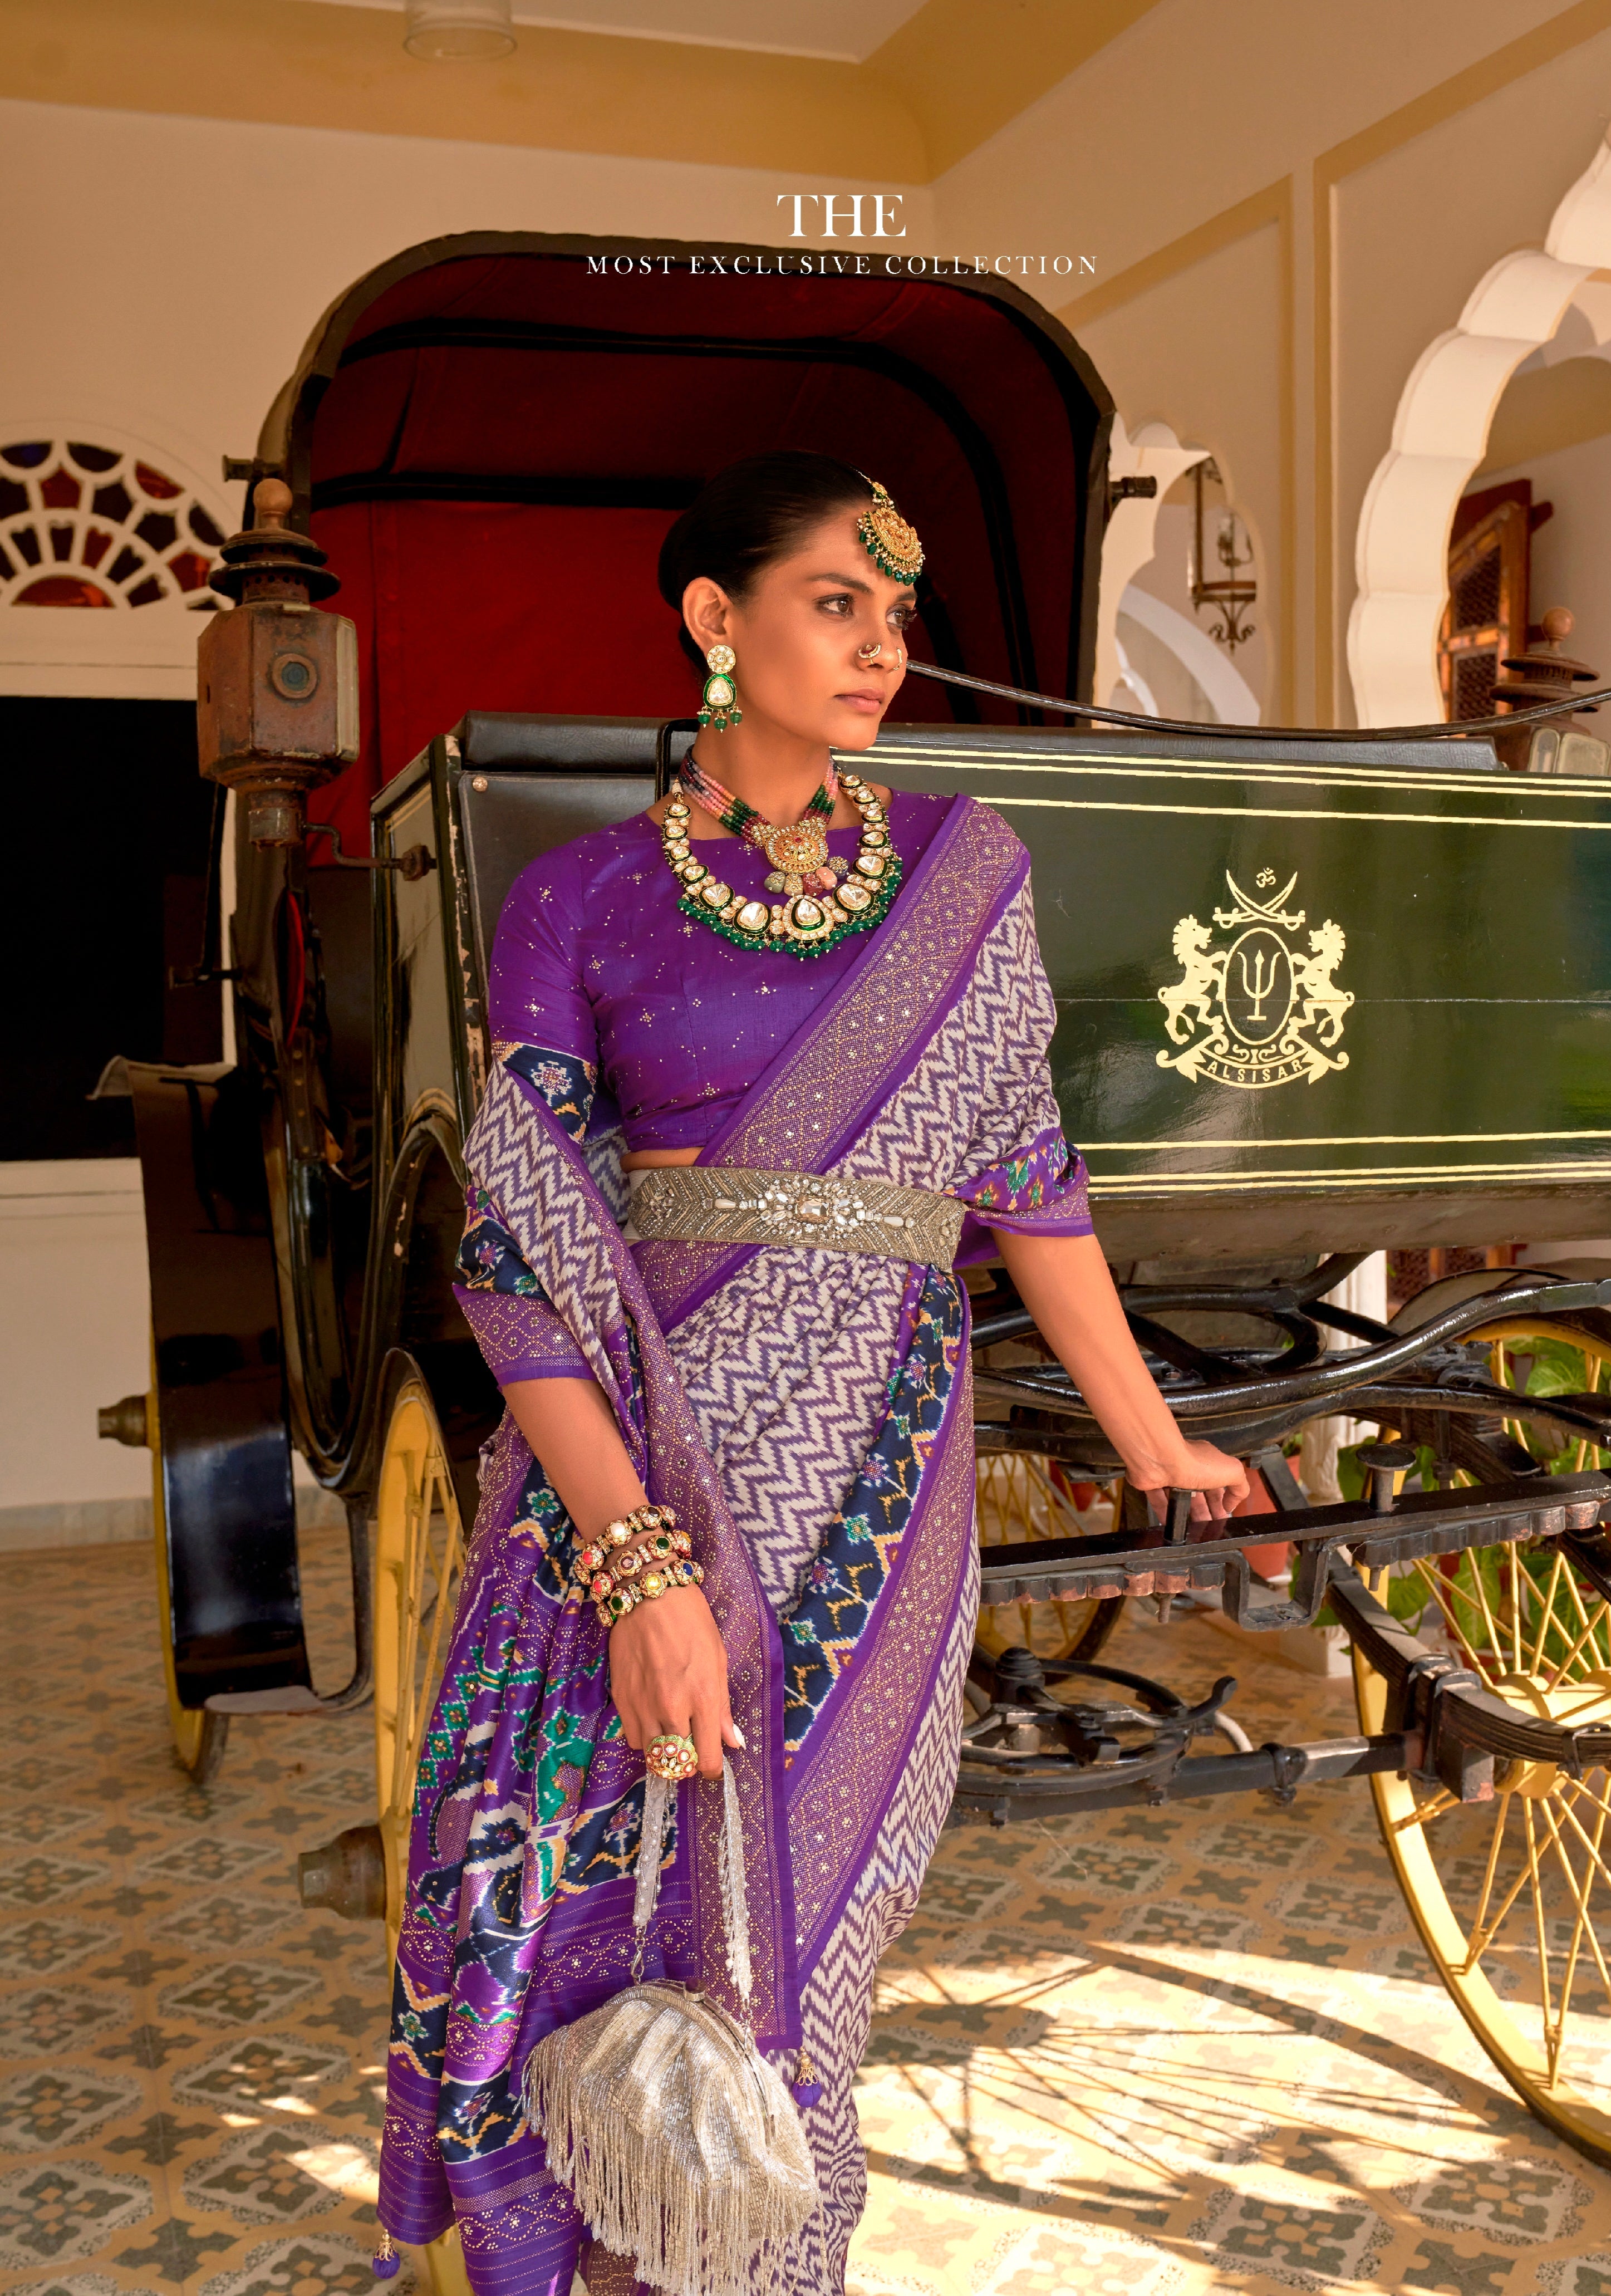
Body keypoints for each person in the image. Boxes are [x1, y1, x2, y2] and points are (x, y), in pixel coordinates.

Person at [376, 450, 1247, 2294]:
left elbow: (1027, 1183)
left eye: (895, 613)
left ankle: (777, 2266)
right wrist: (637, 1566)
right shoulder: (578, 902)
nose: (879, 647)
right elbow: (519, 1254)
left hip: (877, 1467)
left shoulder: (960, 874)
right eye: (836, 602)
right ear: (716, 619)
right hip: (637, 1460)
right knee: (608, 1917)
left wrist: (1159, 1438)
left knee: (823, 1936)